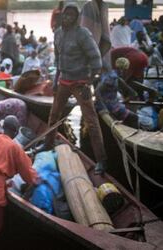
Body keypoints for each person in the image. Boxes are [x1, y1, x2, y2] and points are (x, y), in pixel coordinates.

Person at [47, 3, 108, 175]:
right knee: (54, 116)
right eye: (66, 15)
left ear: (77, 18)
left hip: (81, 83)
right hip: (64, 81)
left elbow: (97, 62)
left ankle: (101, 161)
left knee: (92, 121)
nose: (67, 18)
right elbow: (58, 60)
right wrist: (55, 81)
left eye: (71, 16)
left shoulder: (83, 34)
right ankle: (47, 145)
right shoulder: (58, 34)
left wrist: (89, 83)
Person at [95, 64, 139, 128]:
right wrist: (104, 109)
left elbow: (132, 93)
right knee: (135, 118)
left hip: (107, 105)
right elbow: (97, 92)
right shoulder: (113, 77)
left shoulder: (106, 76)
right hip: (112, 107)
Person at [80, 0, 112, 70]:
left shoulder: (105, 6)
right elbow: (83, 24)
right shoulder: (87, 6)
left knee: (102, 64)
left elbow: (105, 24)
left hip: (102, 39)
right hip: (89, 37)